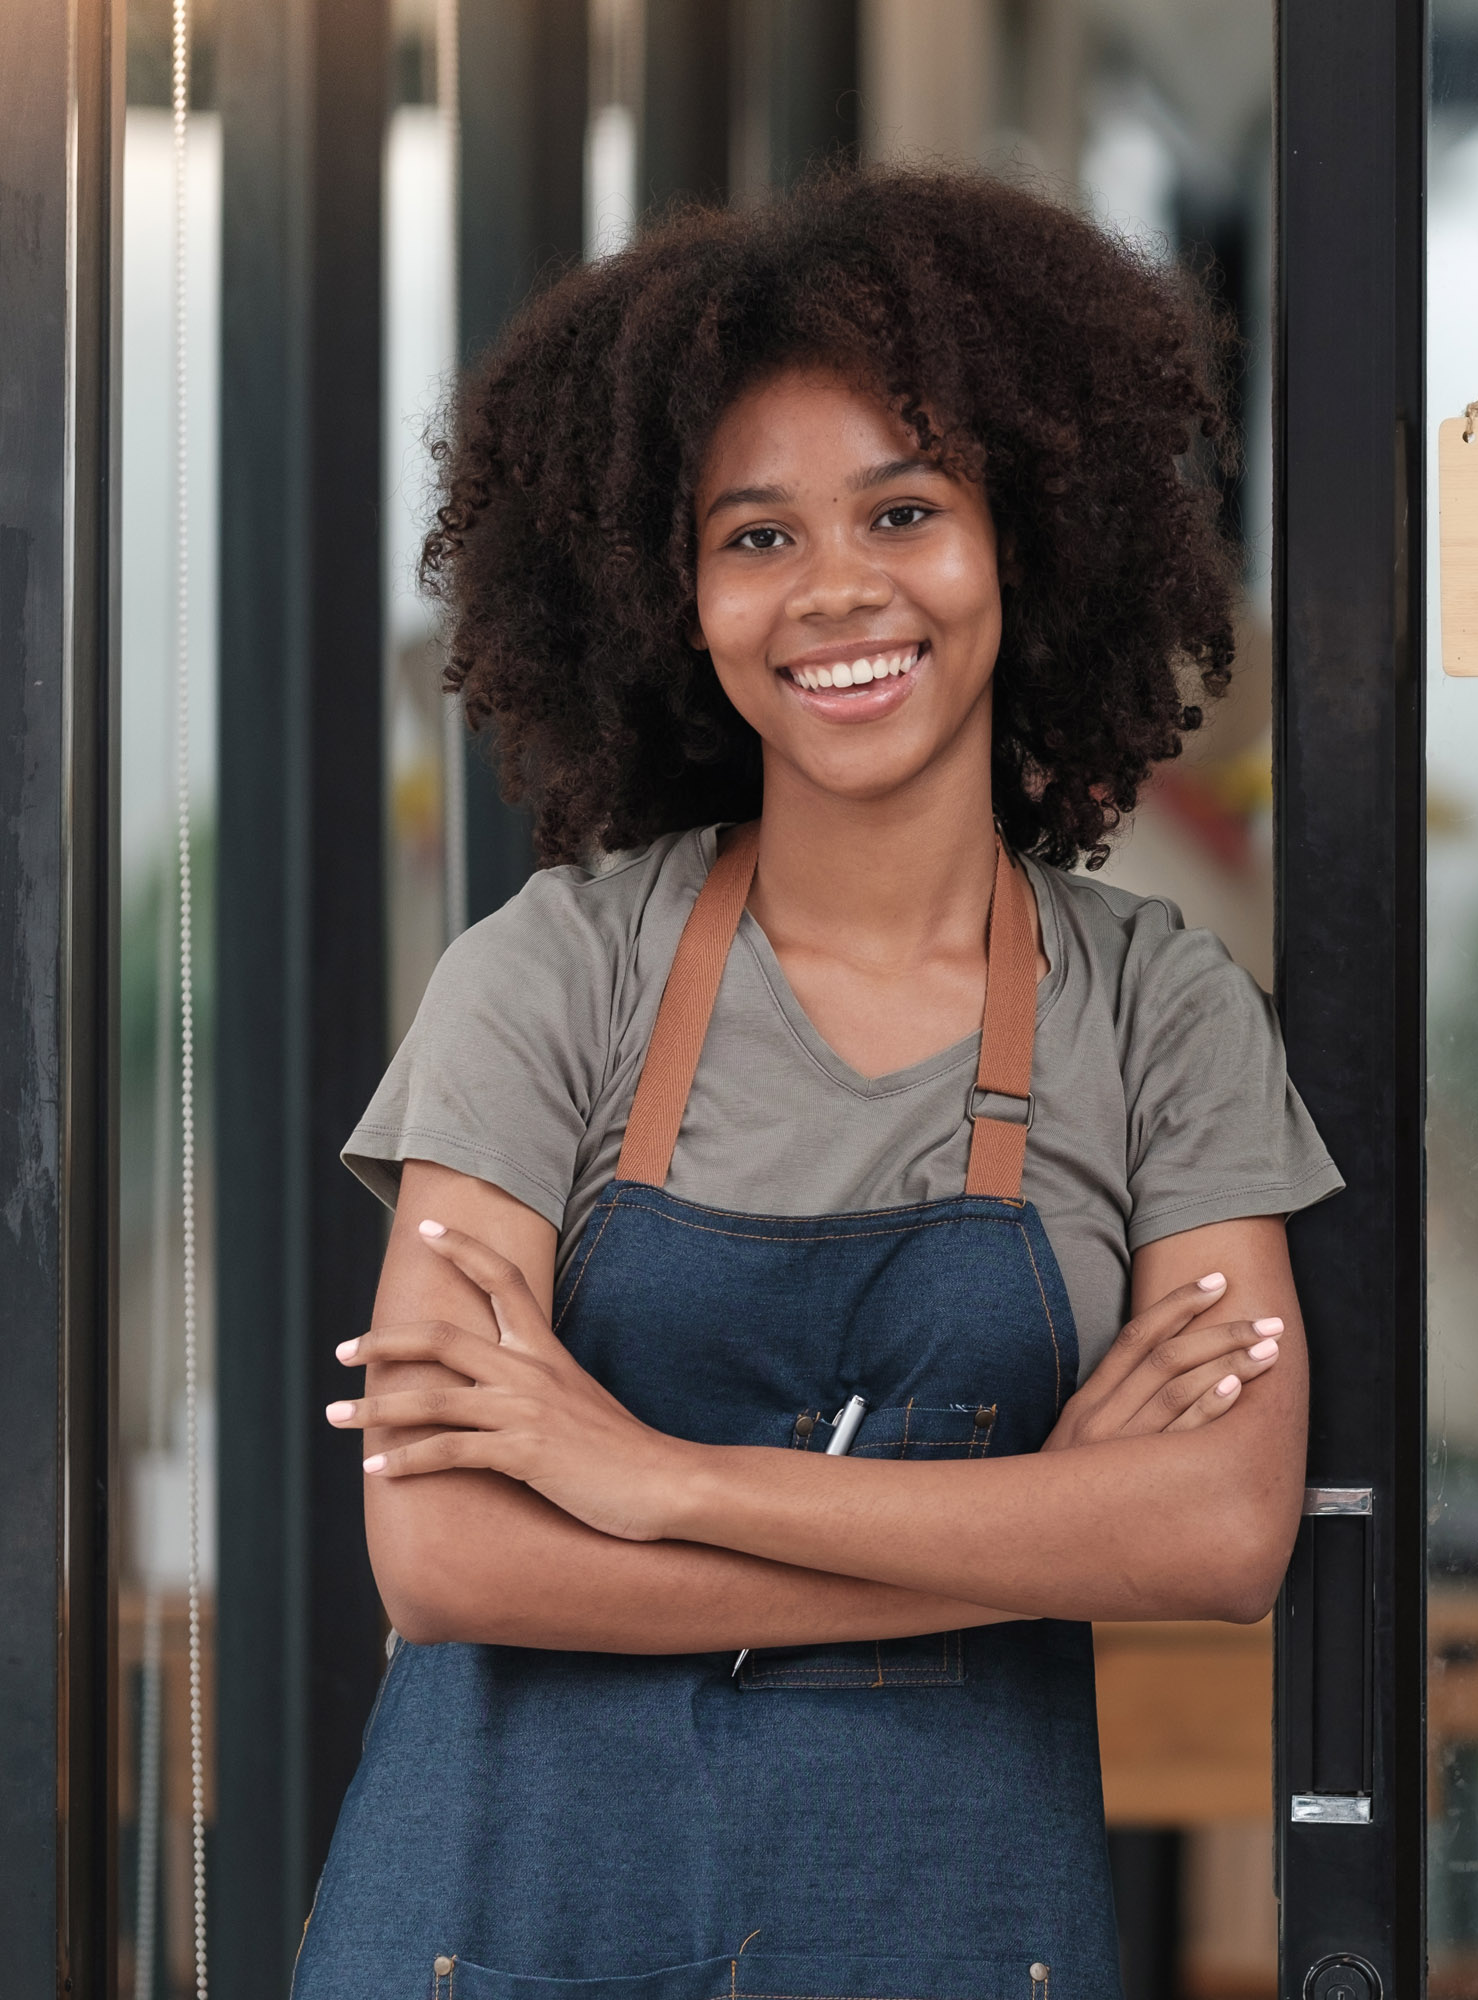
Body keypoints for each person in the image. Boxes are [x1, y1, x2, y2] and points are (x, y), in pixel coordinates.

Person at [300, 169, 1341, 1999]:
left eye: (906, 508)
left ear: (1028, 540)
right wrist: (1029, 1529)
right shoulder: (550, 975)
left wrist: (638, 1478)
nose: (838, 589)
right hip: (498, 1936)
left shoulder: (1155, 1010)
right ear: (672, 592)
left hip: (945, 1935)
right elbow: (446, 1551)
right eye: (756, 535)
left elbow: (1221, 1527)